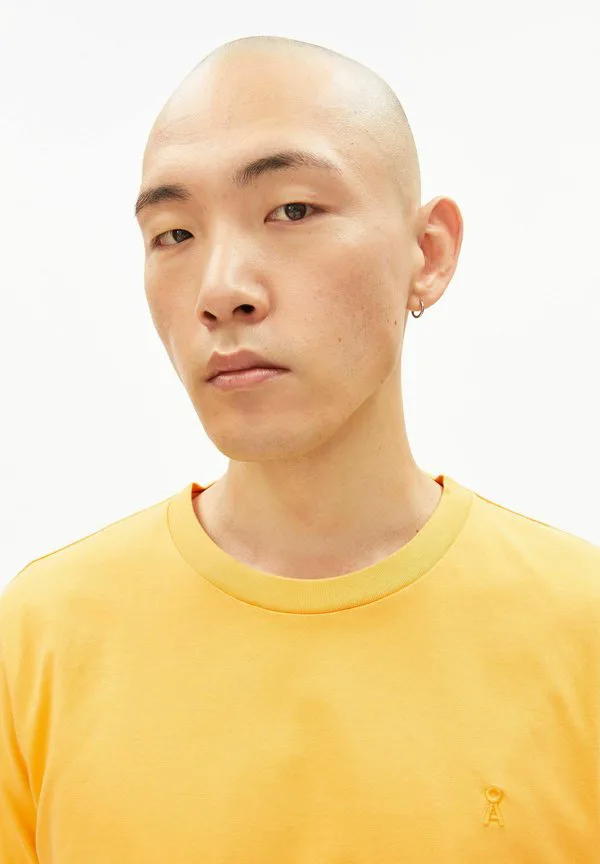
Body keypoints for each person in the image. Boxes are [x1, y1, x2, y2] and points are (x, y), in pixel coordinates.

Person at [1, 34, 599, 864]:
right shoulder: (41, 639)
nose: (221, 290)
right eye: (174, 234)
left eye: (292, 211)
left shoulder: (581, 629)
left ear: (428, 255)